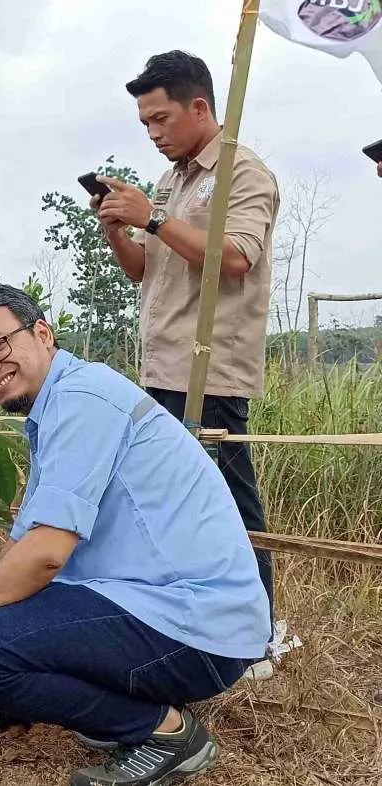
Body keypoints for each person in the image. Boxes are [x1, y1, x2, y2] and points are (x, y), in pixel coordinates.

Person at [0, 285, 270, 786]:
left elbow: (45, 557)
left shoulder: (81, 400)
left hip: (195, 624)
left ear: (42, 334)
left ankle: (164, 731)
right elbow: (24, 542)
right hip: (168, 610)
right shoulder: (59, 406)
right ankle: (127, 702)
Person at [95, 51, 279, 677]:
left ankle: (260, 634)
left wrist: (152, 215)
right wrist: (121, 229)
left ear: (200, 107)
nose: (154, 134)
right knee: (175, 502)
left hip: (210, 369)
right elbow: (144, 269)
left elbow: (234, 258)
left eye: (161, 118)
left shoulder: (242, 172)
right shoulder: (174, 182)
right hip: (163, 367)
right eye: (145, 123)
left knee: (231, 500)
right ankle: (194, 617)